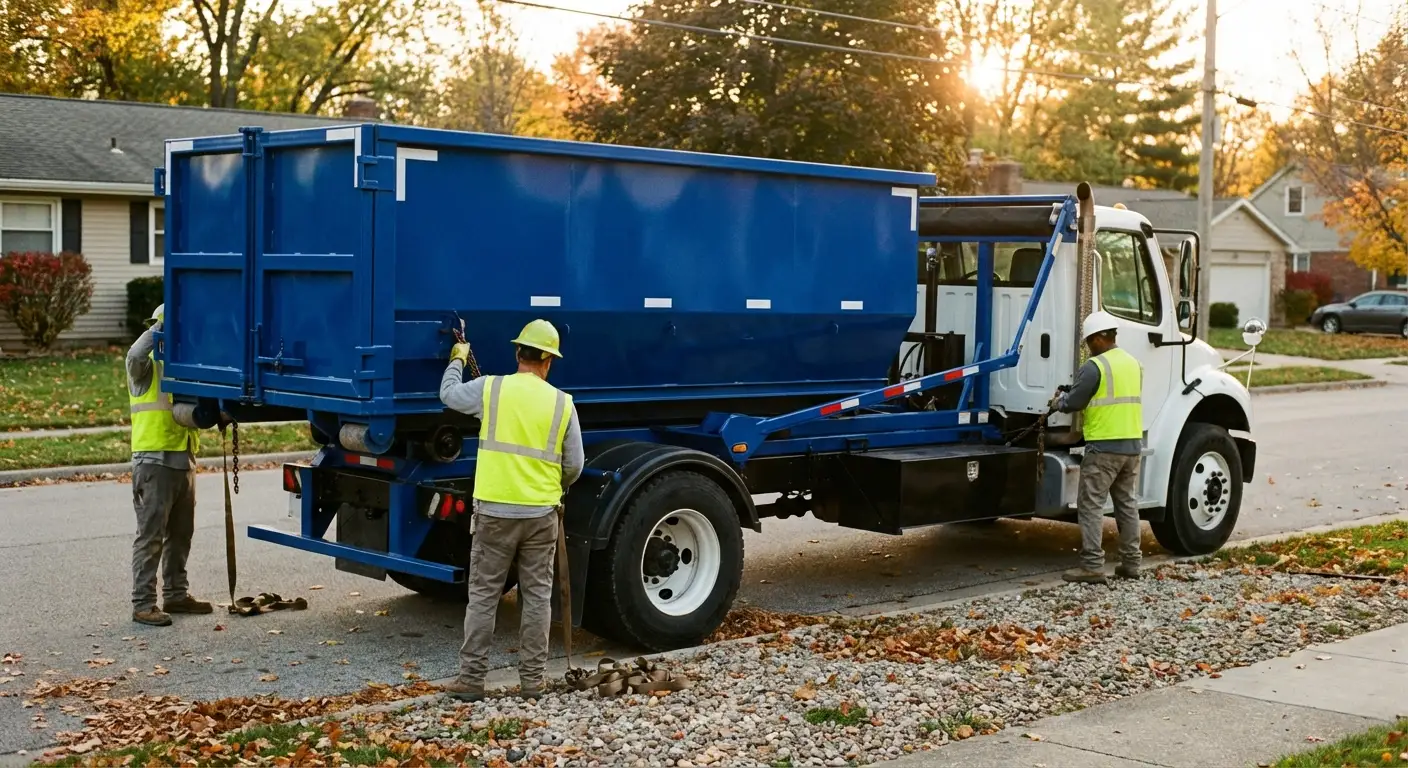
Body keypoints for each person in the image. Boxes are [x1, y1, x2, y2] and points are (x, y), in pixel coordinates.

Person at [438, 319, 584, 701]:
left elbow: (448, 395)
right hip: (540, 516)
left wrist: (458, 357)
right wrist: (554, 489)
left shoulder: (492, 389)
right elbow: (575, 465)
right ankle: (533, 683)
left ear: (518, 353)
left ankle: (471, 681)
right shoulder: (563, 404)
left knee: (484, 596)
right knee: (537, 598)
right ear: (549, 361)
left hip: (494, 515)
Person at [126, 304, 213, 626]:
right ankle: (143, 604)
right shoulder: (144, 368)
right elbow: (134, 354)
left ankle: (176, 595)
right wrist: (163, 324)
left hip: (183, 459)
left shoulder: (184, 368)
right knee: (150, 536)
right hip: (153, 461)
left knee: (181, 534)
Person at [1052, 310, 1144, 585]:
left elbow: (1076, 402)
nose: (1089, 348)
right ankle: (1132, 563)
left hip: (1104, 447)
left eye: (1089, 342)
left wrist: (1058, 401)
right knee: (1126, 504)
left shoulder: (1095, 366)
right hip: (1131, 445)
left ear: (1098, 338)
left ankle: (1092, 566)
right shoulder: (1132, 363)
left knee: (1090, 505)